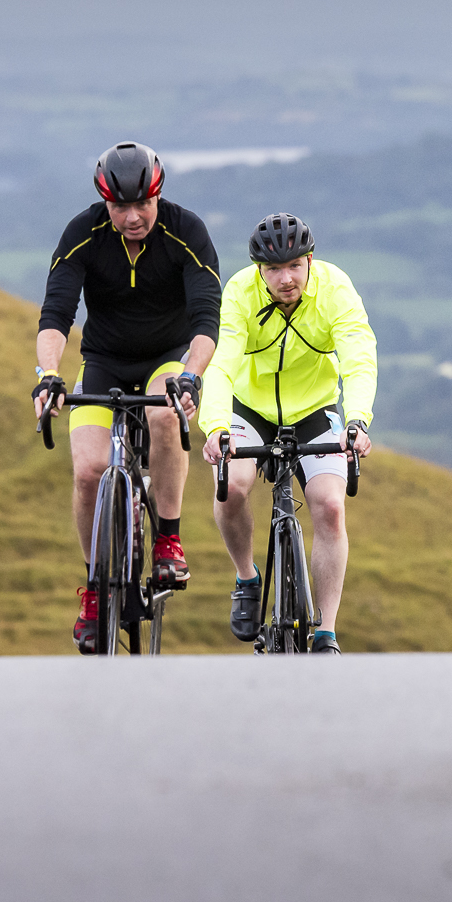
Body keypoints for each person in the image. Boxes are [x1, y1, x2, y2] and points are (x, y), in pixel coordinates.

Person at [32, 141, 221, 654]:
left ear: (158, 196)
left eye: (143, 204)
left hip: (167, 359)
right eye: (120, 207)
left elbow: (206, 319)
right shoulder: (83, 232)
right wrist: (49, 375)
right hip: (105, 363)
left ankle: (168, 538)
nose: (133, 217)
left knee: (165, 414)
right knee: (89, 471)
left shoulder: (186, 231)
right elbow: (56, 314)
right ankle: (95, 590)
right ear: (105, 202)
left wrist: (191, 376)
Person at [199, 212, 376, 655]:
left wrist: (357, 420)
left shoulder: (335, 288)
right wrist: (216, 426)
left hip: (315, 411)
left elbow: (358, 358)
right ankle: (246, 577)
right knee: (231, 488)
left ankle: (326, 632)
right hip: (250, 409)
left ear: (310, 260)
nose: (286, 279)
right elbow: (221, 365)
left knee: (330, 507)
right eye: (274, 269)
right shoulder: (240, 291)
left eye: (295, 266)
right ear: (259, 270)